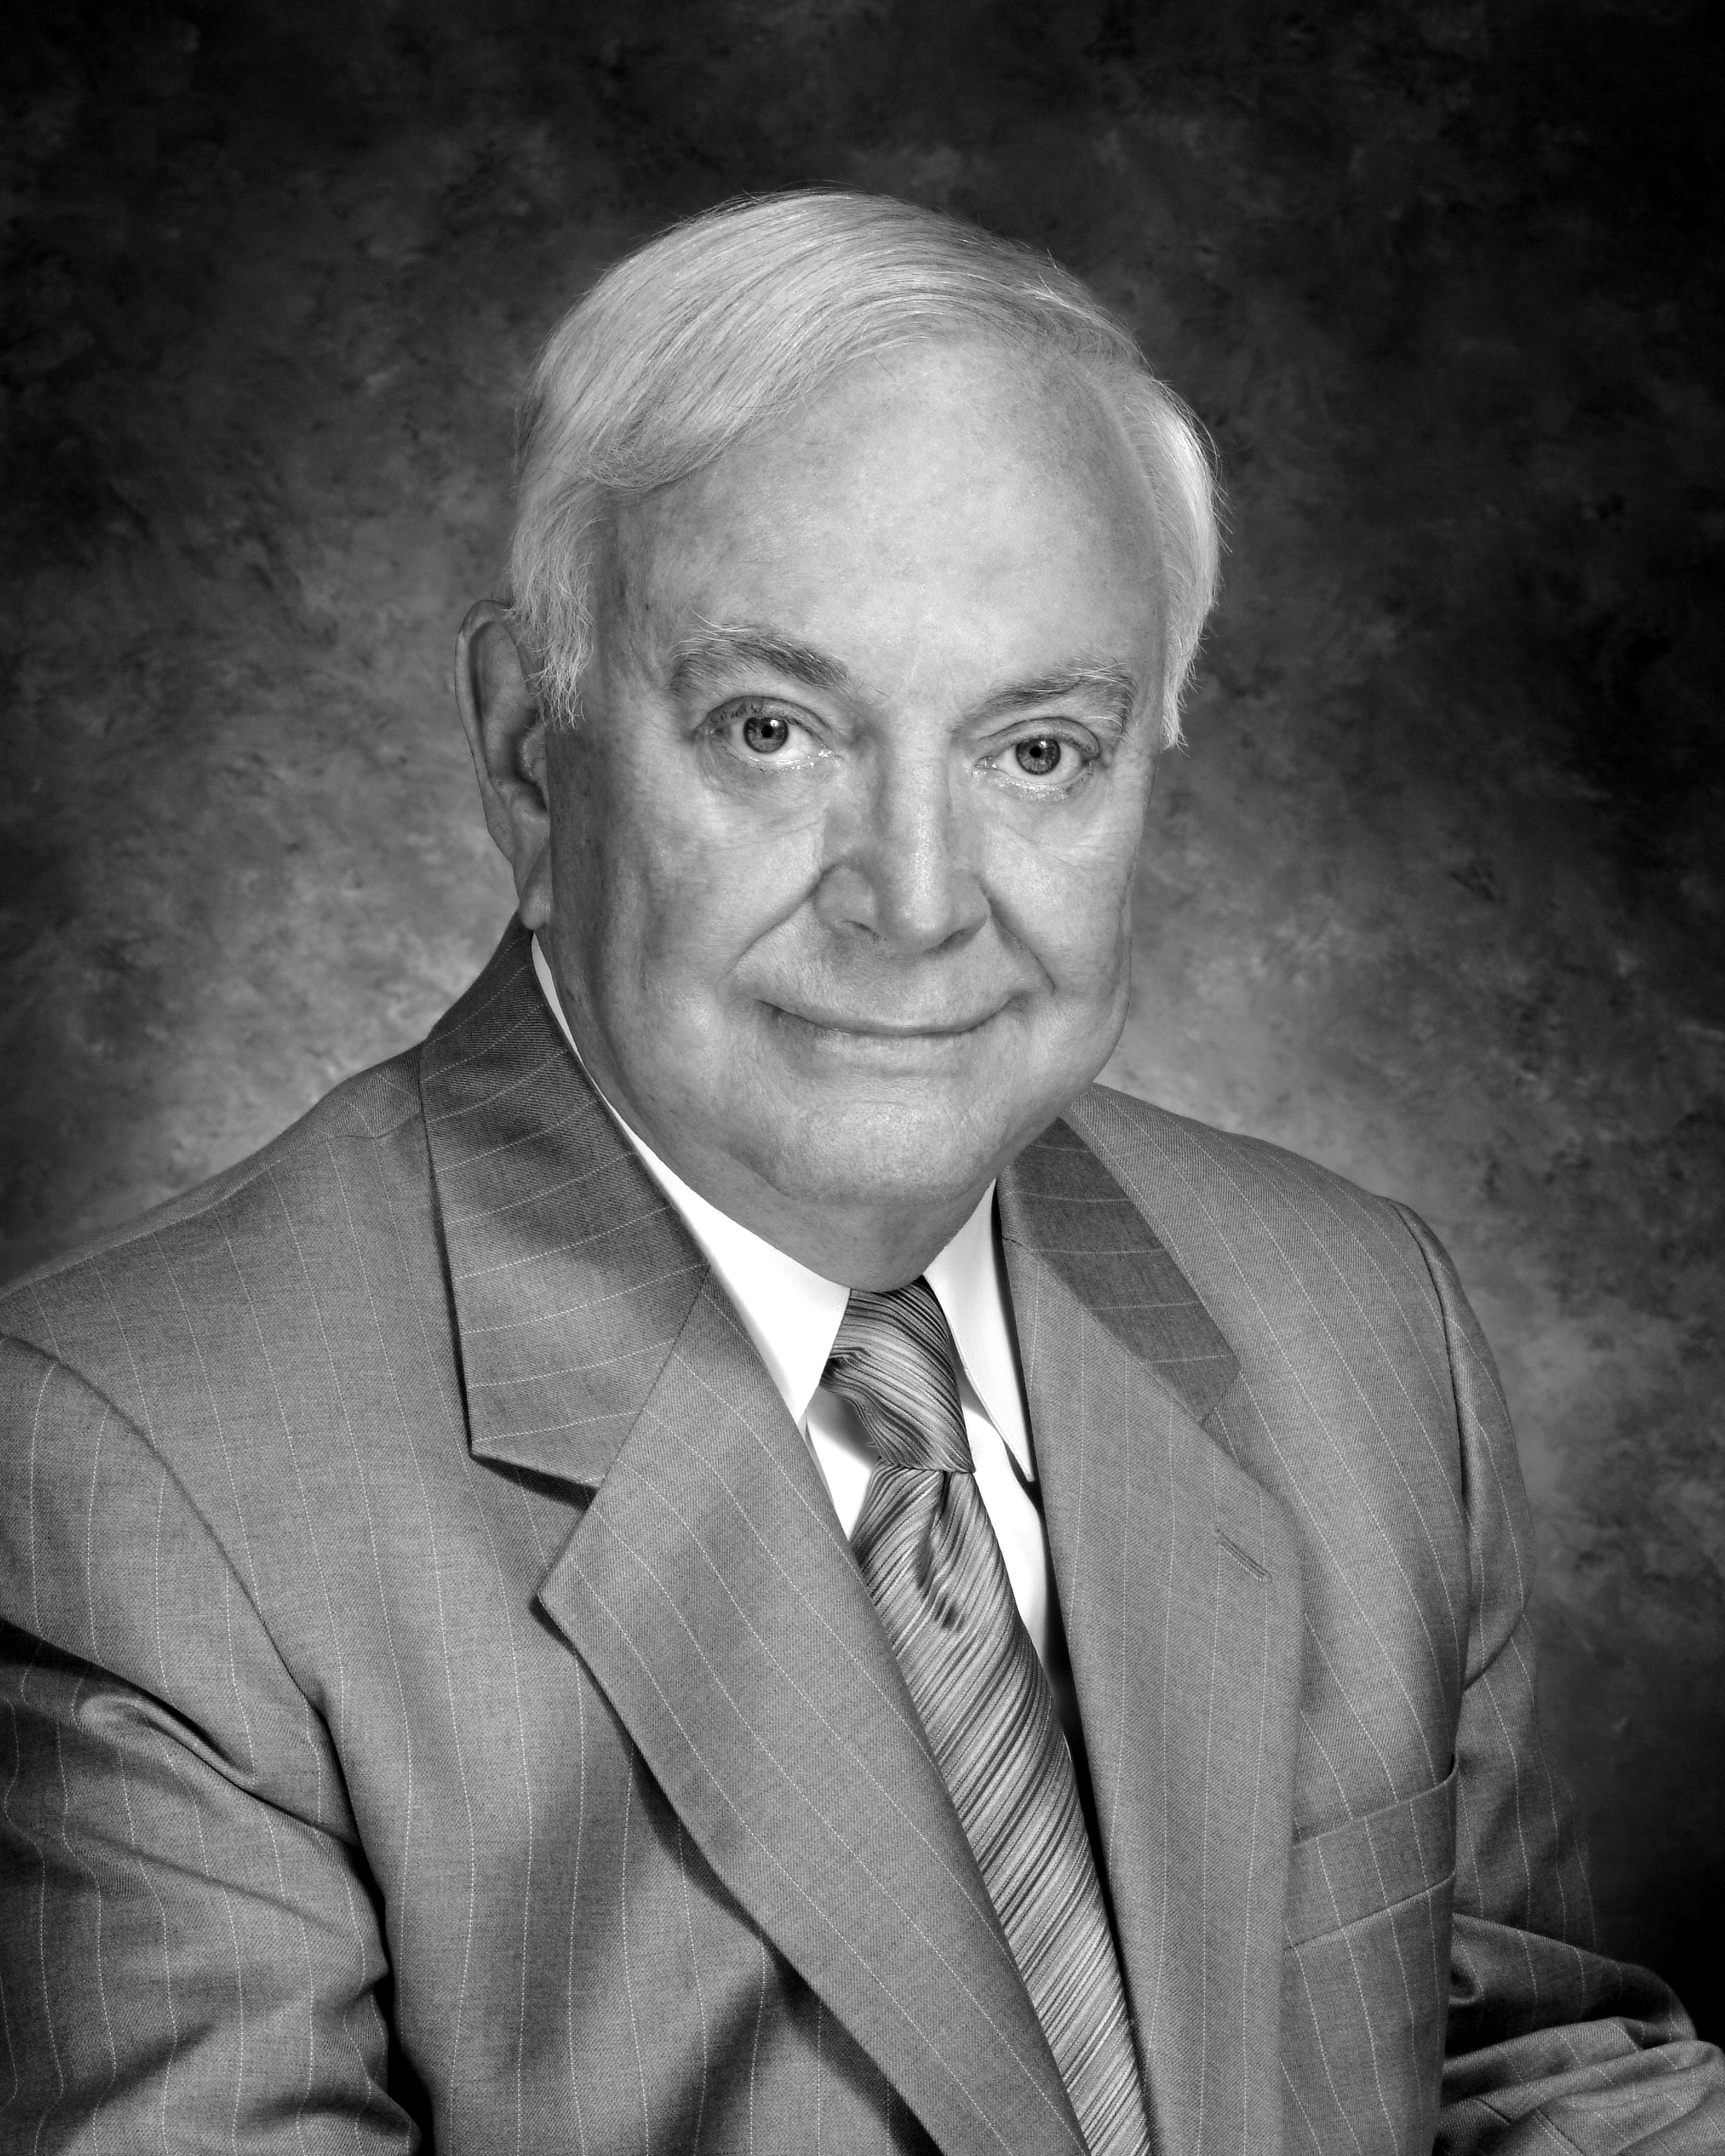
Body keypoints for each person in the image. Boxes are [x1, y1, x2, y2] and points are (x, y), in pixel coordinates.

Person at [0, 191, 1718, 2156]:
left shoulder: (1355, 1319)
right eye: (774, 731)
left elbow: (1522, 2080)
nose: (916, 901)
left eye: (1038, 752)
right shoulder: (141, 1481)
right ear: (528, 755)